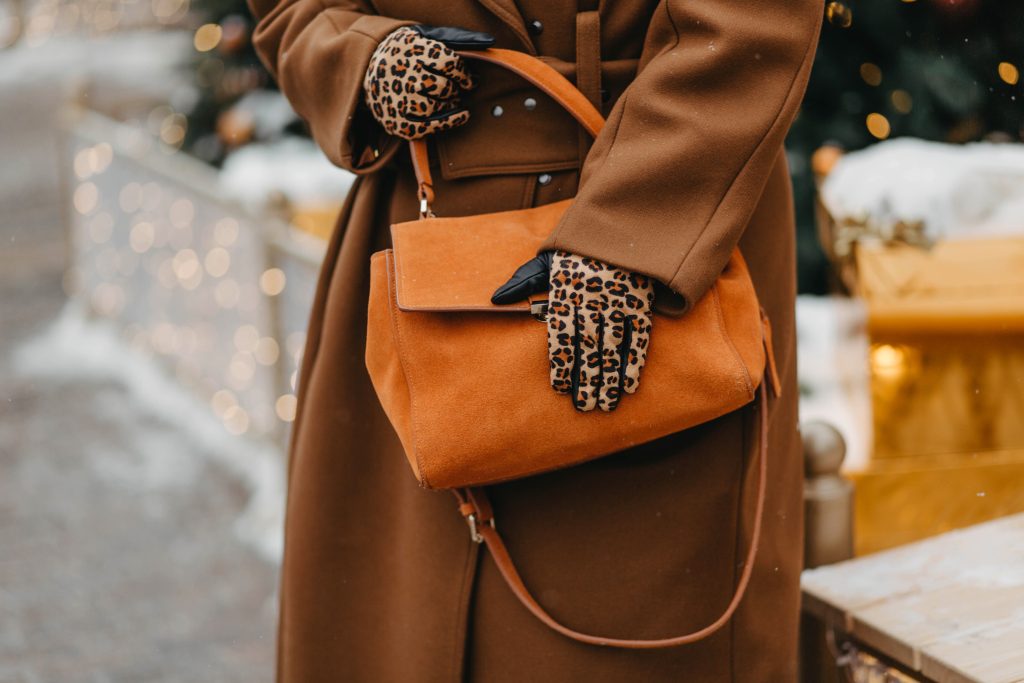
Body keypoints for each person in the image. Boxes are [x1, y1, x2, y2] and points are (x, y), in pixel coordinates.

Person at [247, 1, 823, 680]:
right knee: (394, 636)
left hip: (671, 229)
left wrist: (628, 237)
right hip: (418, 251)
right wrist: (358, 58)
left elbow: (748, 23)